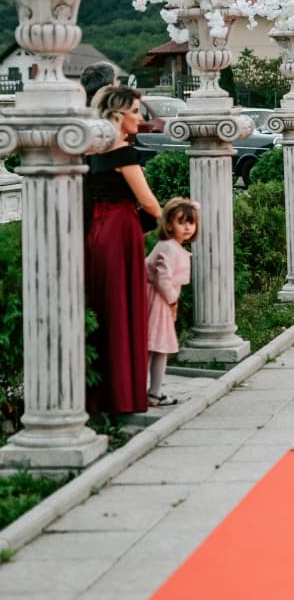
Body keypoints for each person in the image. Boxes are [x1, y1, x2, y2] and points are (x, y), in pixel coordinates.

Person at [85, 86, 162, 415]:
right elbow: (149, 203)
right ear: (117, 115)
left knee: (104, 305)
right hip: (121, 231)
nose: (140, 118)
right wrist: (162, 219)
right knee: (121, 308)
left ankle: (101, 394)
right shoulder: (123, 154)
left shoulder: (93, 152)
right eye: (134, 111)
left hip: (98, 231)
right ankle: (122, 395)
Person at [145, 197, 198, 408]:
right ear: (168, 225)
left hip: (160, 300)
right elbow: (162, 278)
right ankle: (151, 392)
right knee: (154, 346)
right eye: (181, 222)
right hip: (157, 301)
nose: (187, 227)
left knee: (158, 347)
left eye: (191, 222)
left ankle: (153, 391)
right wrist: (173, 300)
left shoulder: (173, 247)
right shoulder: (168, 247)